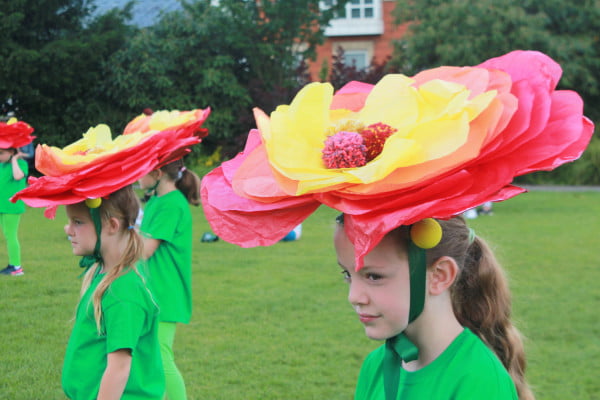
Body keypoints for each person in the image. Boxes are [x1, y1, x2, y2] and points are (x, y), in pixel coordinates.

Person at [199, 51, 593, 399]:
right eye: (347, 276)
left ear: (439, 276)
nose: (354, 296)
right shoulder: (378, 366)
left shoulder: (476, 382)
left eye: (373, 277)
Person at [12, 109, 209, 399]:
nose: (67, 229)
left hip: (167, 290)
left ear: (112, 225)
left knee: (163, 359)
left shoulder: (123, 291)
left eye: (77, 222)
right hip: (150, 283)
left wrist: (124, 237)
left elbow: (119, 368)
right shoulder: (103, 274)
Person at [138, 158, 201, 400]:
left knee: (161, 358)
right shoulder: (158, 200)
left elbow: (145, 250)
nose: (137, 176)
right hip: (154, 290)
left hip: (166, 291)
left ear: (157, 172)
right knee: (152, 358)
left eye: (141, 169)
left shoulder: (171, 204)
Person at [0, 117, 34, 276]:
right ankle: (13, 265)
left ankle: (16, 267)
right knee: (7, 236)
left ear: (12, 152)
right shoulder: (1, 165)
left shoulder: (21, 164)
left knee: (10, 236)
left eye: (2, 152)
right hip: (2, 206)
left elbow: (19, 176)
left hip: (11, 207)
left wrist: (14, 159)